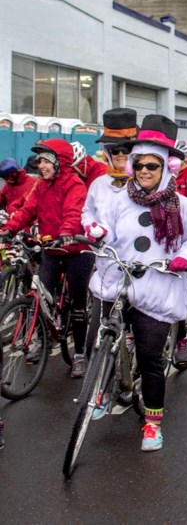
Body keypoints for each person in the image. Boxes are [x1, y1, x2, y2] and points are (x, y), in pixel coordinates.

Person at [84, 115, 187, 451]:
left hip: (156, 287)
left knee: (150, 356)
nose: (143, 171)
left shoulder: (181, 205)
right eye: (138, 165)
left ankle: (152, 424)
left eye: (151, 166)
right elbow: (102, 226)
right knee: (101, 337)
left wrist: (185, 256)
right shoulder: (117, 199)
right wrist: (96, 234)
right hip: (117, 279)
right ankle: (99, 390)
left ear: (165, 168)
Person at [0, 138, 95, 378]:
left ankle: (80, 354)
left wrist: (66, 232)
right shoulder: (41, 186)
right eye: (40, 160)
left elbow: (74, 212)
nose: (40, 165)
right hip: (51, 250)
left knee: (77, 306)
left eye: (45, 160)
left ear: (59, 161)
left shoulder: (74, 184)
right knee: (41, 297)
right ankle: (41, 339)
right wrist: (9, 230)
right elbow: (27, 210)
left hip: (75, 251)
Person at [82, 108, 139, 356]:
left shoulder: (144, 179)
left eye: (126, 149)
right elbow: (87, 210)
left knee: (142, 333)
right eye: (114, 150)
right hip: (106, 264)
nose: (120, 155)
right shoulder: (98, 184)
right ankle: (99, 388)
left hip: (138, 266)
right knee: (98, 335)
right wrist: (91, 227)